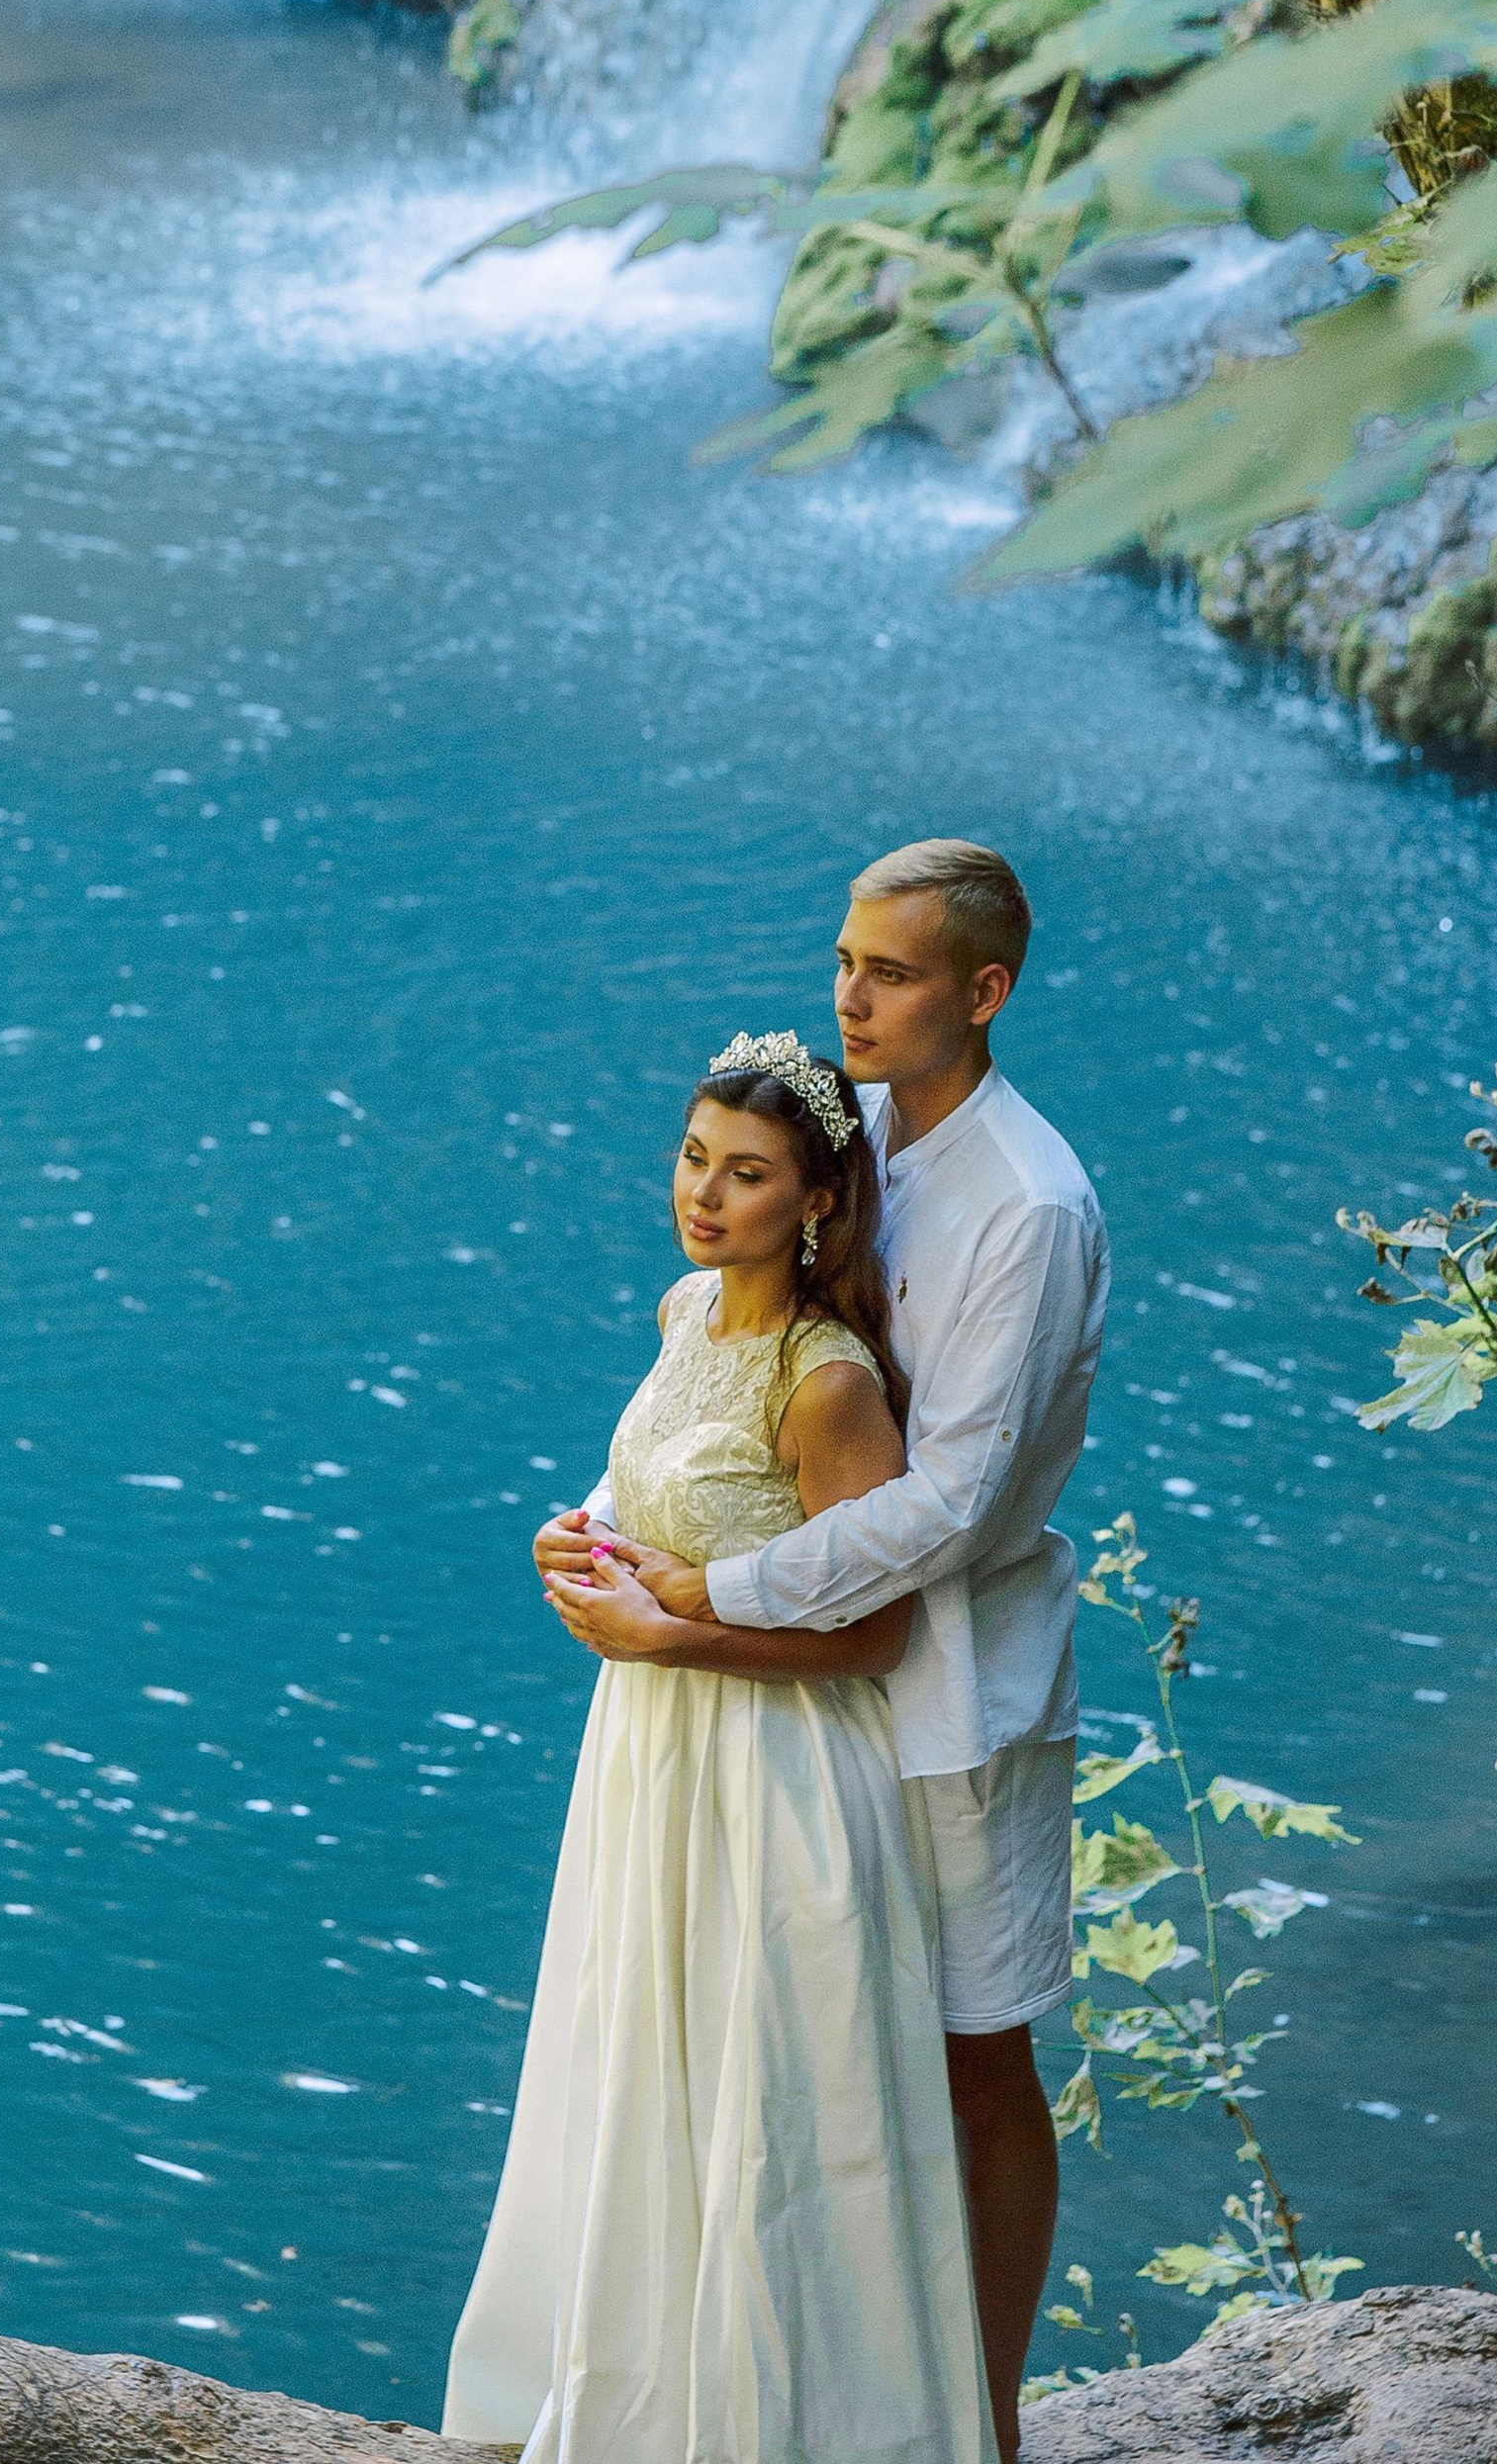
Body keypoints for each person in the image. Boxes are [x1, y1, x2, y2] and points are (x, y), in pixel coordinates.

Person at [577, 839, 1108, 2464]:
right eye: (844, 962)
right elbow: (736, 1359)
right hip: (815, 1681)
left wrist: (711, 1596)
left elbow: (947, 1503)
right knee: (819, 2034)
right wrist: (622, 1523)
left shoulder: (1030, 1203)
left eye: (888, 973)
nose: (849, 998)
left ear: (985, 991)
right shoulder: (853, 1134)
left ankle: (987, 2415)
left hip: (951, 1674)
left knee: (972, 2047)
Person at [441, 1029, 999, 2464]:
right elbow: (673, 1505)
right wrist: (581, 1537)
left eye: (748, 1174)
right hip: (651, 1758)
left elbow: (874, 1635)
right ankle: (638, 2396)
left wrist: (674, 1635)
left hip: (777, 1778)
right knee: (640, 2065)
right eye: (696, 1157)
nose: (706, 1193)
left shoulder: (829, 1385)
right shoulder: (688, 1314)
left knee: (771, 2102)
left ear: (817, 1199)